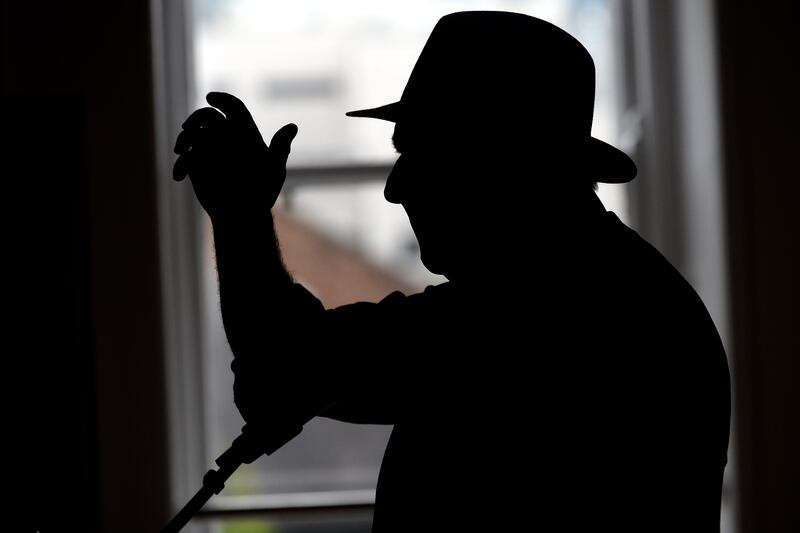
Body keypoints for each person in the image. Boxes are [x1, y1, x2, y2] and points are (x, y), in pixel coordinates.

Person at [173, 11, 730, 532]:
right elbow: (299, 372)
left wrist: (241, 214)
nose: (395, 187)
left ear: (501, 163)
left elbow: (285, 369)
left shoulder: (524, 318)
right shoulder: (606, 292)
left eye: (419, 155)